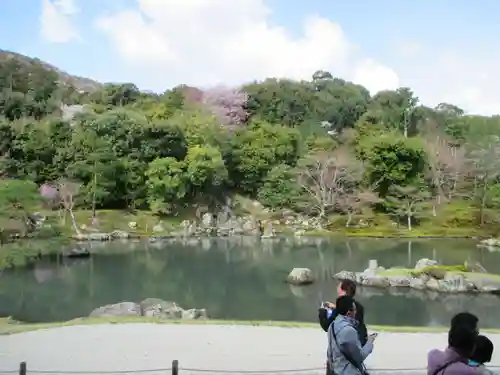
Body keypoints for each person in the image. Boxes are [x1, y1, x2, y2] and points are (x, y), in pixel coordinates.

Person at [327, 295, 375, 375]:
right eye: (355, 310)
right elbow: (359, 357)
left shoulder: (332, 326)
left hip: (336, 371)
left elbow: (330, 353)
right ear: (349, 313)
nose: (356, 312)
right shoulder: (349, 331)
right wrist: (369, 342)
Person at [319, 279, 368, 346]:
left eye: (339, 287)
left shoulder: (341, 308)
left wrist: (322, 311)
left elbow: (327, 326)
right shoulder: (359, 306)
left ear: (343, 291)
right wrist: (335, 307)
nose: (337, 289)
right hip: (360, 341)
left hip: (347, 345)